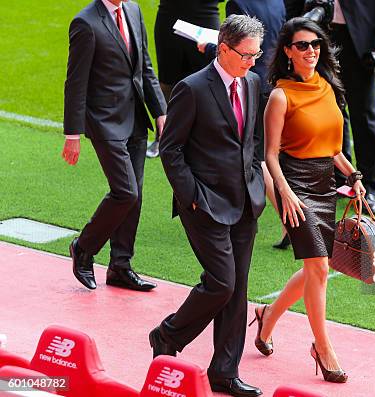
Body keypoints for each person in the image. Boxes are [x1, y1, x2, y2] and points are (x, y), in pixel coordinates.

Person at [149, 15, 266, 397]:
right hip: (205, 203)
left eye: (256, 54)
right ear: (225, 49)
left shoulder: (251, 83)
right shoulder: (192, 88)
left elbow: (253, 141)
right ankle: (167, 334)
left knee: (238, 287)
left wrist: (257, 186)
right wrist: (193, 198)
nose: (253, 61)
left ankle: (224, 372)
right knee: (221, 282)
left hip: (245, 202)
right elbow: (171, 149)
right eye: (247, 55)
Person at [253, 17, 365, 383]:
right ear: (288, 51)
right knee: (319, 266)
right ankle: (322, 347)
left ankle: (268, 317)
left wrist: (353, 176)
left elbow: (333, 149)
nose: (311, 51)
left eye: (316, 44)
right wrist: (283, 192)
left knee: (316, 266)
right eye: (302, 45)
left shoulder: (328, 89)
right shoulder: (280, 95)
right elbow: (270, 155)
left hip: (324, 181)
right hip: (291, 181)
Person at [62, 0, 167, 291]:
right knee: (126, 192)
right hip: (104, 121)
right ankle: (83, 247)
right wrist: (72, 133)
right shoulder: (85, 23)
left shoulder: (133, 10)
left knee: (136, 196)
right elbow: (76, 81)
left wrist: (160, 111)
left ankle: (120, 266)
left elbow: (144, 66)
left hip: (134, 118)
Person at [196, 0, 291, 250]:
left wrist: (207, 48)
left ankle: (286, 219)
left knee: (258, 157)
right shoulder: (278, 2)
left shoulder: (238, 3)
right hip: (272, 84)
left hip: (251, 84)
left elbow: (233, 46)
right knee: (267, 154)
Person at [285, 0, 375, 214]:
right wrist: (293, 28)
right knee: (329, 110)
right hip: (318, 35)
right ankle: (339, 177)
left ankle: (369, 186)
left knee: (366, 113)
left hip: (361, 37)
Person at [146, 0, 222, 158]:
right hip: (169, 19)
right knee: (168, 79)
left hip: (205, 19)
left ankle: (205, 139)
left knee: (207, 82)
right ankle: (163, 137)